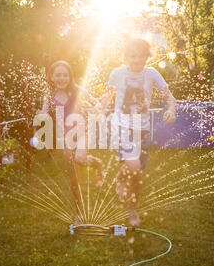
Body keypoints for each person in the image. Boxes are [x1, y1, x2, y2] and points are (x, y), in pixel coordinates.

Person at [96, 38, 177, 227]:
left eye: (141, 56)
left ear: (148, 56)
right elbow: (107, 97)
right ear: (125, 56)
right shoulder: (117, 73)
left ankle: (120, 181)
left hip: (143, 130)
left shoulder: (152, 73)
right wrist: (99, 111)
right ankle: (132, 210)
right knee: (134, 168)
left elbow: (169, 97)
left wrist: (171, 109)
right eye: (133, 56)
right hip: (122, 127)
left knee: (137, 172)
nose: (137, 60)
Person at [39, 60, 105, 225]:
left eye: (65, 75)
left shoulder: (77, 91)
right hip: (66, 138)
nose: (62, 78)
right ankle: (79, 212)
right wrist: (40, 114)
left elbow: (96, 103)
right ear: (52, 77)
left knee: (80, 158)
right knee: (74, 176)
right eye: (58, 75)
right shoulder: (49, 96)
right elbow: (44, 113)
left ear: (70, 77)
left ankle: (97, 164)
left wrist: (97, 109)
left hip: (83, 133)